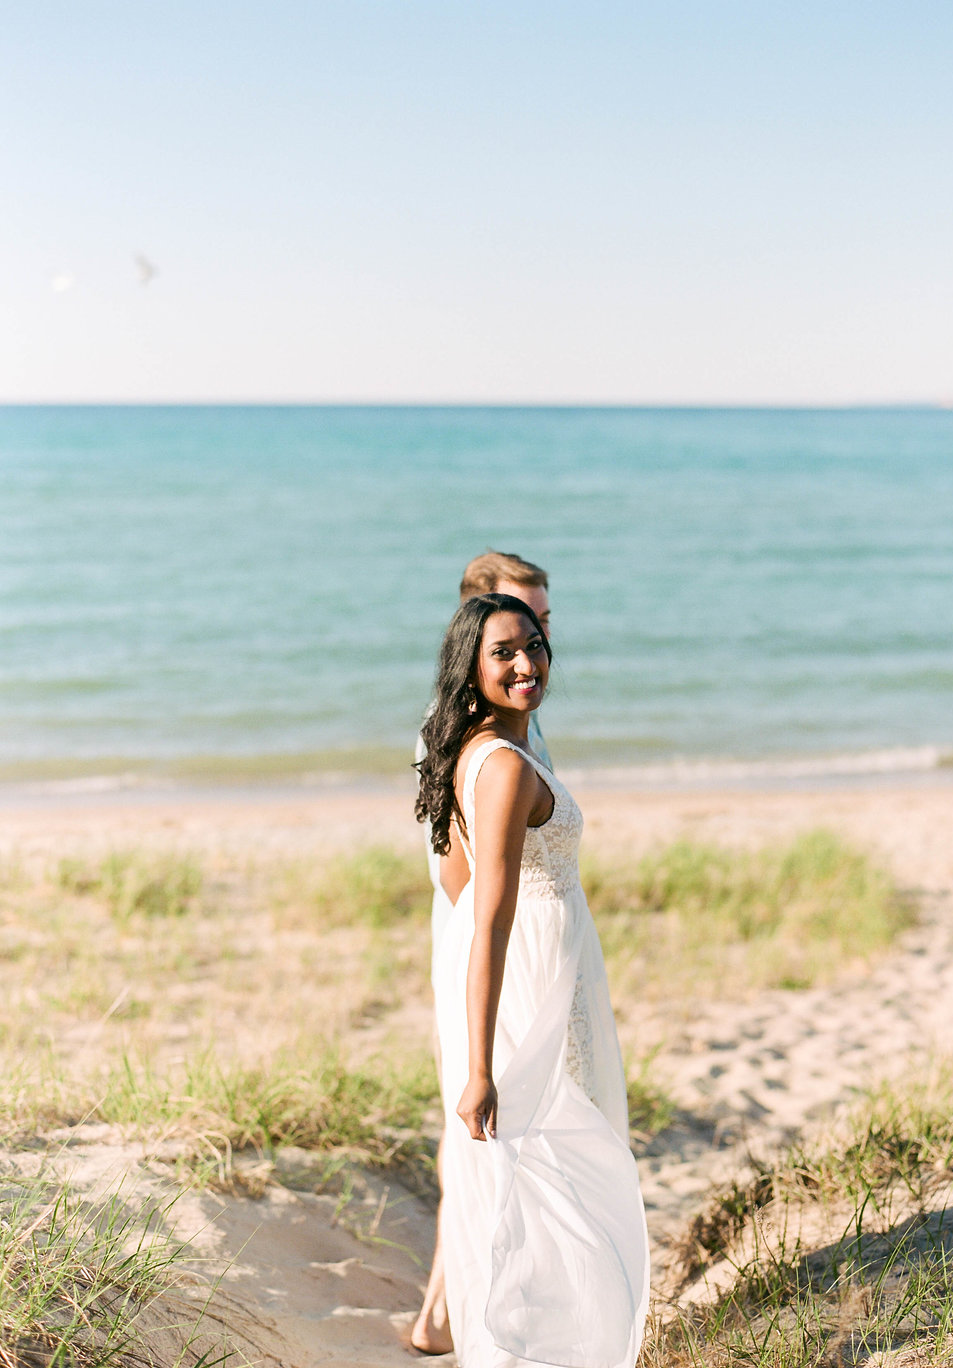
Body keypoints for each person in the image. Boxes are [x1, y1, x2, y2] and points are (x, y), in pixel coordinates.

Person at [414, 593, 649, 1368]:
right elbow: (483, 916)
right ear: (472, 670)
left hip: (534, 975)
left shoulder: (475, 754)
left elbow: (454, 883)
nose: (526, 664)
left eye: (535, 645)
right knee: (563, 1153)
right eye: (504, 653)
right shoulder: (506, 767)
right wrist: (480, 1067)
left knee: (546, 1155)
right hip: (539, 986)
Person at [412, 552, 552, 1356]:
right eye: (510, 637)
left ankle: (458, 1308)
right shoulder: (483, 746)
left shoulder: (512, 725)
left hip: (530, 949)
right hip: (497, 954)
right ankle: (451, 1310)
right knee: (490, 1136)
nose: (530, 654)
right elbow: (464, 883)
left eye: (540, 631)